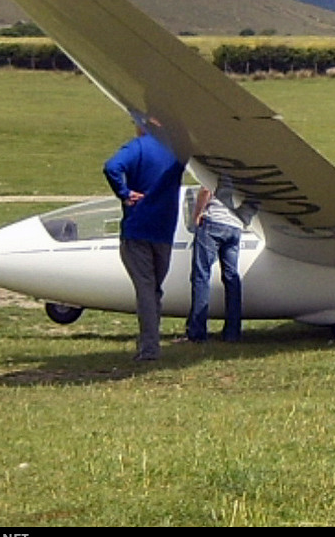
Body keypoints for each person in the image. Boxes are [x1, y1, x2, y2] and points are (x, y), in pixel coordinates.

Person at [103, 125, 185, 361]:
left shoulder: (137, 147)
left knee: (146, 290)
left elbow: (112, 167)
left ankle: (150, 346)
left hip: (138, 228)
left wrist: (125, 193)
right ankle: (151, 340)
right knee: (155, 289)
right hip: (165, 230)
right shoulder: (176, 150)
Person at [186, 180, 252, 342]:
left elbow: (205, 190)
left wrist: (197, 215)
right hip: (235, 227)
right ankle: (232, 332)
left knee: (201, 276)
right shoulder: (247, 174)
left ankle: (197, 332)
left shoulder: (218, 168)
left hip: (213, 222)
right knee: (231, 278)